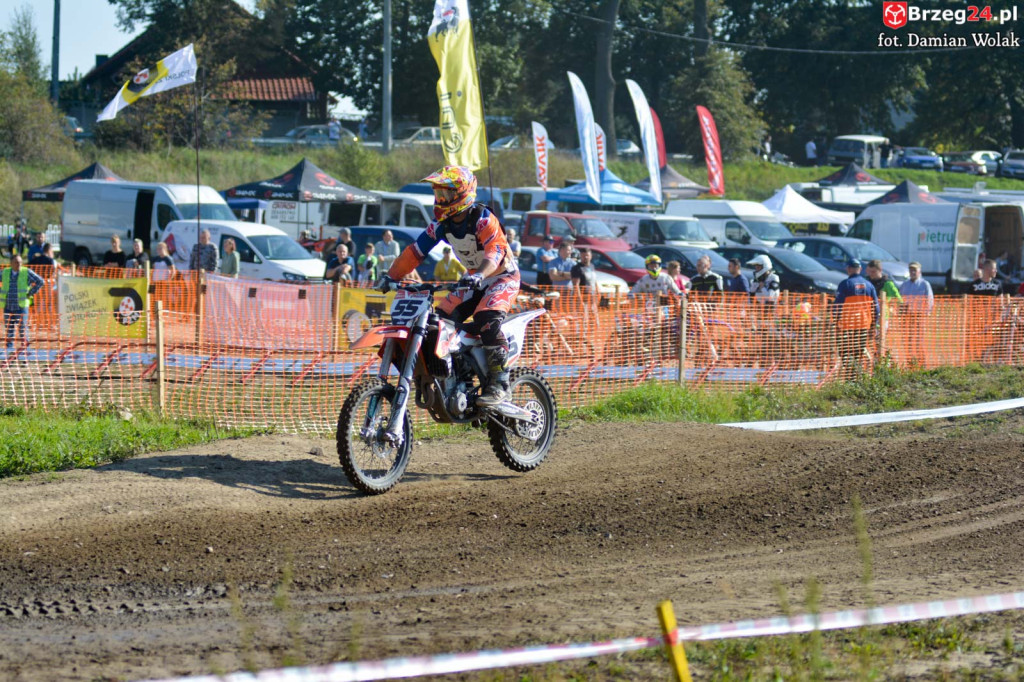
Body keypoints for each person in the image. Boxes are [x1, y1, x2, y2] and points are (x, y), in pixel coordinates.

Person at [378, 165, 519, 406]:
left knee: (487, 316)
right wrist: (391, 276)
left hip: (500, 276)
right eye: (438, 194)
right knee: (438, 322)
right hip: (474, 278)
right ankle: (461, 375)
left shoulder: (483, 219)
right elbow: (416, 251)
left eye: (446, 195)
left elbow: (495, 252)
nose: (440, 200)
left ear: (462, 193)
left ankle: (499, 383)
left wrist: (480, 274)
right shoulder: (441, 223)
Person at [834, 259, 880, 379]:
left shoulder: (845, 284)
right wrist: (874, 325)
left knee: (844, 351)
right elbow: (876, 308)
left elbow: (837, 306)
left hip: (846, 325)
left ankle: (850, 377)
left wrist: (835, 322)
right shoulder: (869, 285)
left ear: (848, 269)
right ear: (860, 269)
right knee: (858, 352)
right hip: (864, 324)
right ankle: (858, 377)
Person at [2, 254, 44, 350]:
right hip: (8, 306)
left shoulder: (26, 272)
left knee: (23, 331)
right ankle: (9, 356)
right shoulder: (5, 272)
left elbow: (40, 281)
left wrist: (31, 292)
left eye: (20, 262)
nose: (19, 264)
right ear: (11, 263)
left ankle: (25, 355)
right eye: (17, 262)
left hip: (21, 308)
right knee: (9, 332)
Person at [898, 261, 933, 364]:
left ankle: (921, 362)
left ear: (919, 271)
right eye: (911, 270)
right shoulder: (905, 285)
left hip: (919, 316)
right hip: (907, 316)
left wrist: (926, 313)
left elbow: (930, 300)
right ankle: (910, 362)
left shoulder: (925, 284)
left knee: (918, 340)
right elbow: (900, 300)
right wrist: (901, 311)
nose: (912, 272)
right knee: (907, 340)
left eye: (914, 270)